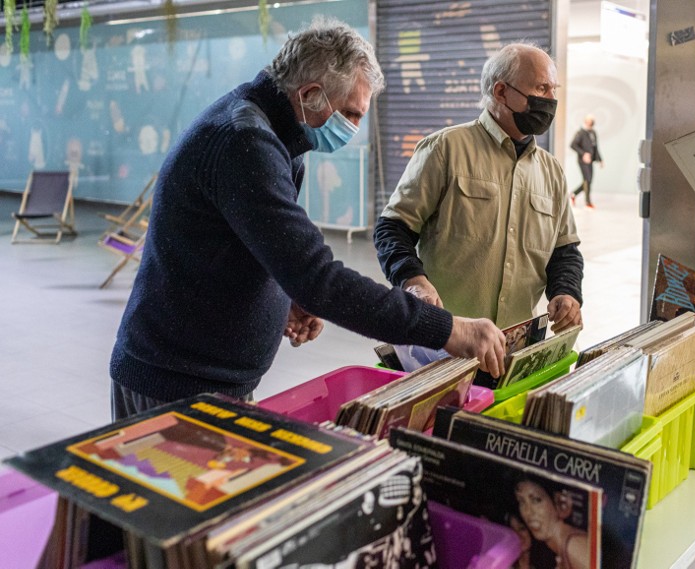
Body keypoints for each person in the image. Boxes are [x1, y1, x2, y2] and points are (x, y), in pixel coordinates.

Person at [109, 19, 506, 420]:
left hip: (210, 378)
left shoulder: (279, 135)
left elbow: (258, 247)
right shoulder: (243, 141)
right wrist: (448, 329)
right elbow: (318, 278)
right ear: (311, 95)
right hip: (174, 385)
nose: (353, 128)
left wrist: (285, 297)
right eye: (350, 113)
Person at [373, 42, 584, 333]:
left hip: (514, 343)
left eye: (553, 90)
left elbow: (565, 251)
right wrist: (413, 281)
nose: (550, 100)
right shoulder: (445, 149)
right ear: (501, 92)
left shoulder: (552, 172)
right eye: (540, 89)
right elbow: (392, 228)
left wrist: (566, 291)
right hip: (445, 338)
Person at [514, 477, 590, 569]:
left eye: (536, 500)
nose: (528, 512)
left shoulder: (573, 545)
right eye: (522, 502)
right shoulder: (558, 548)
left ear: (560, 503)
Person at [570, 114, 603, 209]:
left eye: (592, 122)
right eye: (589, 122)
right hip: (582, 161)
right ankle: (588, 202)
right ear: (585, 122)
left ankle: (573, 194)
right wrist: (583, 154)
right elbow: (573, 145)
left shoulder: (593, 133)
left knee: (588, 181)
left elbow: (596, 147)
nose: (591, 124)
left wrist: (600, 160)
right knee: (587, 180)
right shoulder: (580, 133)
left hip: (591, 160)